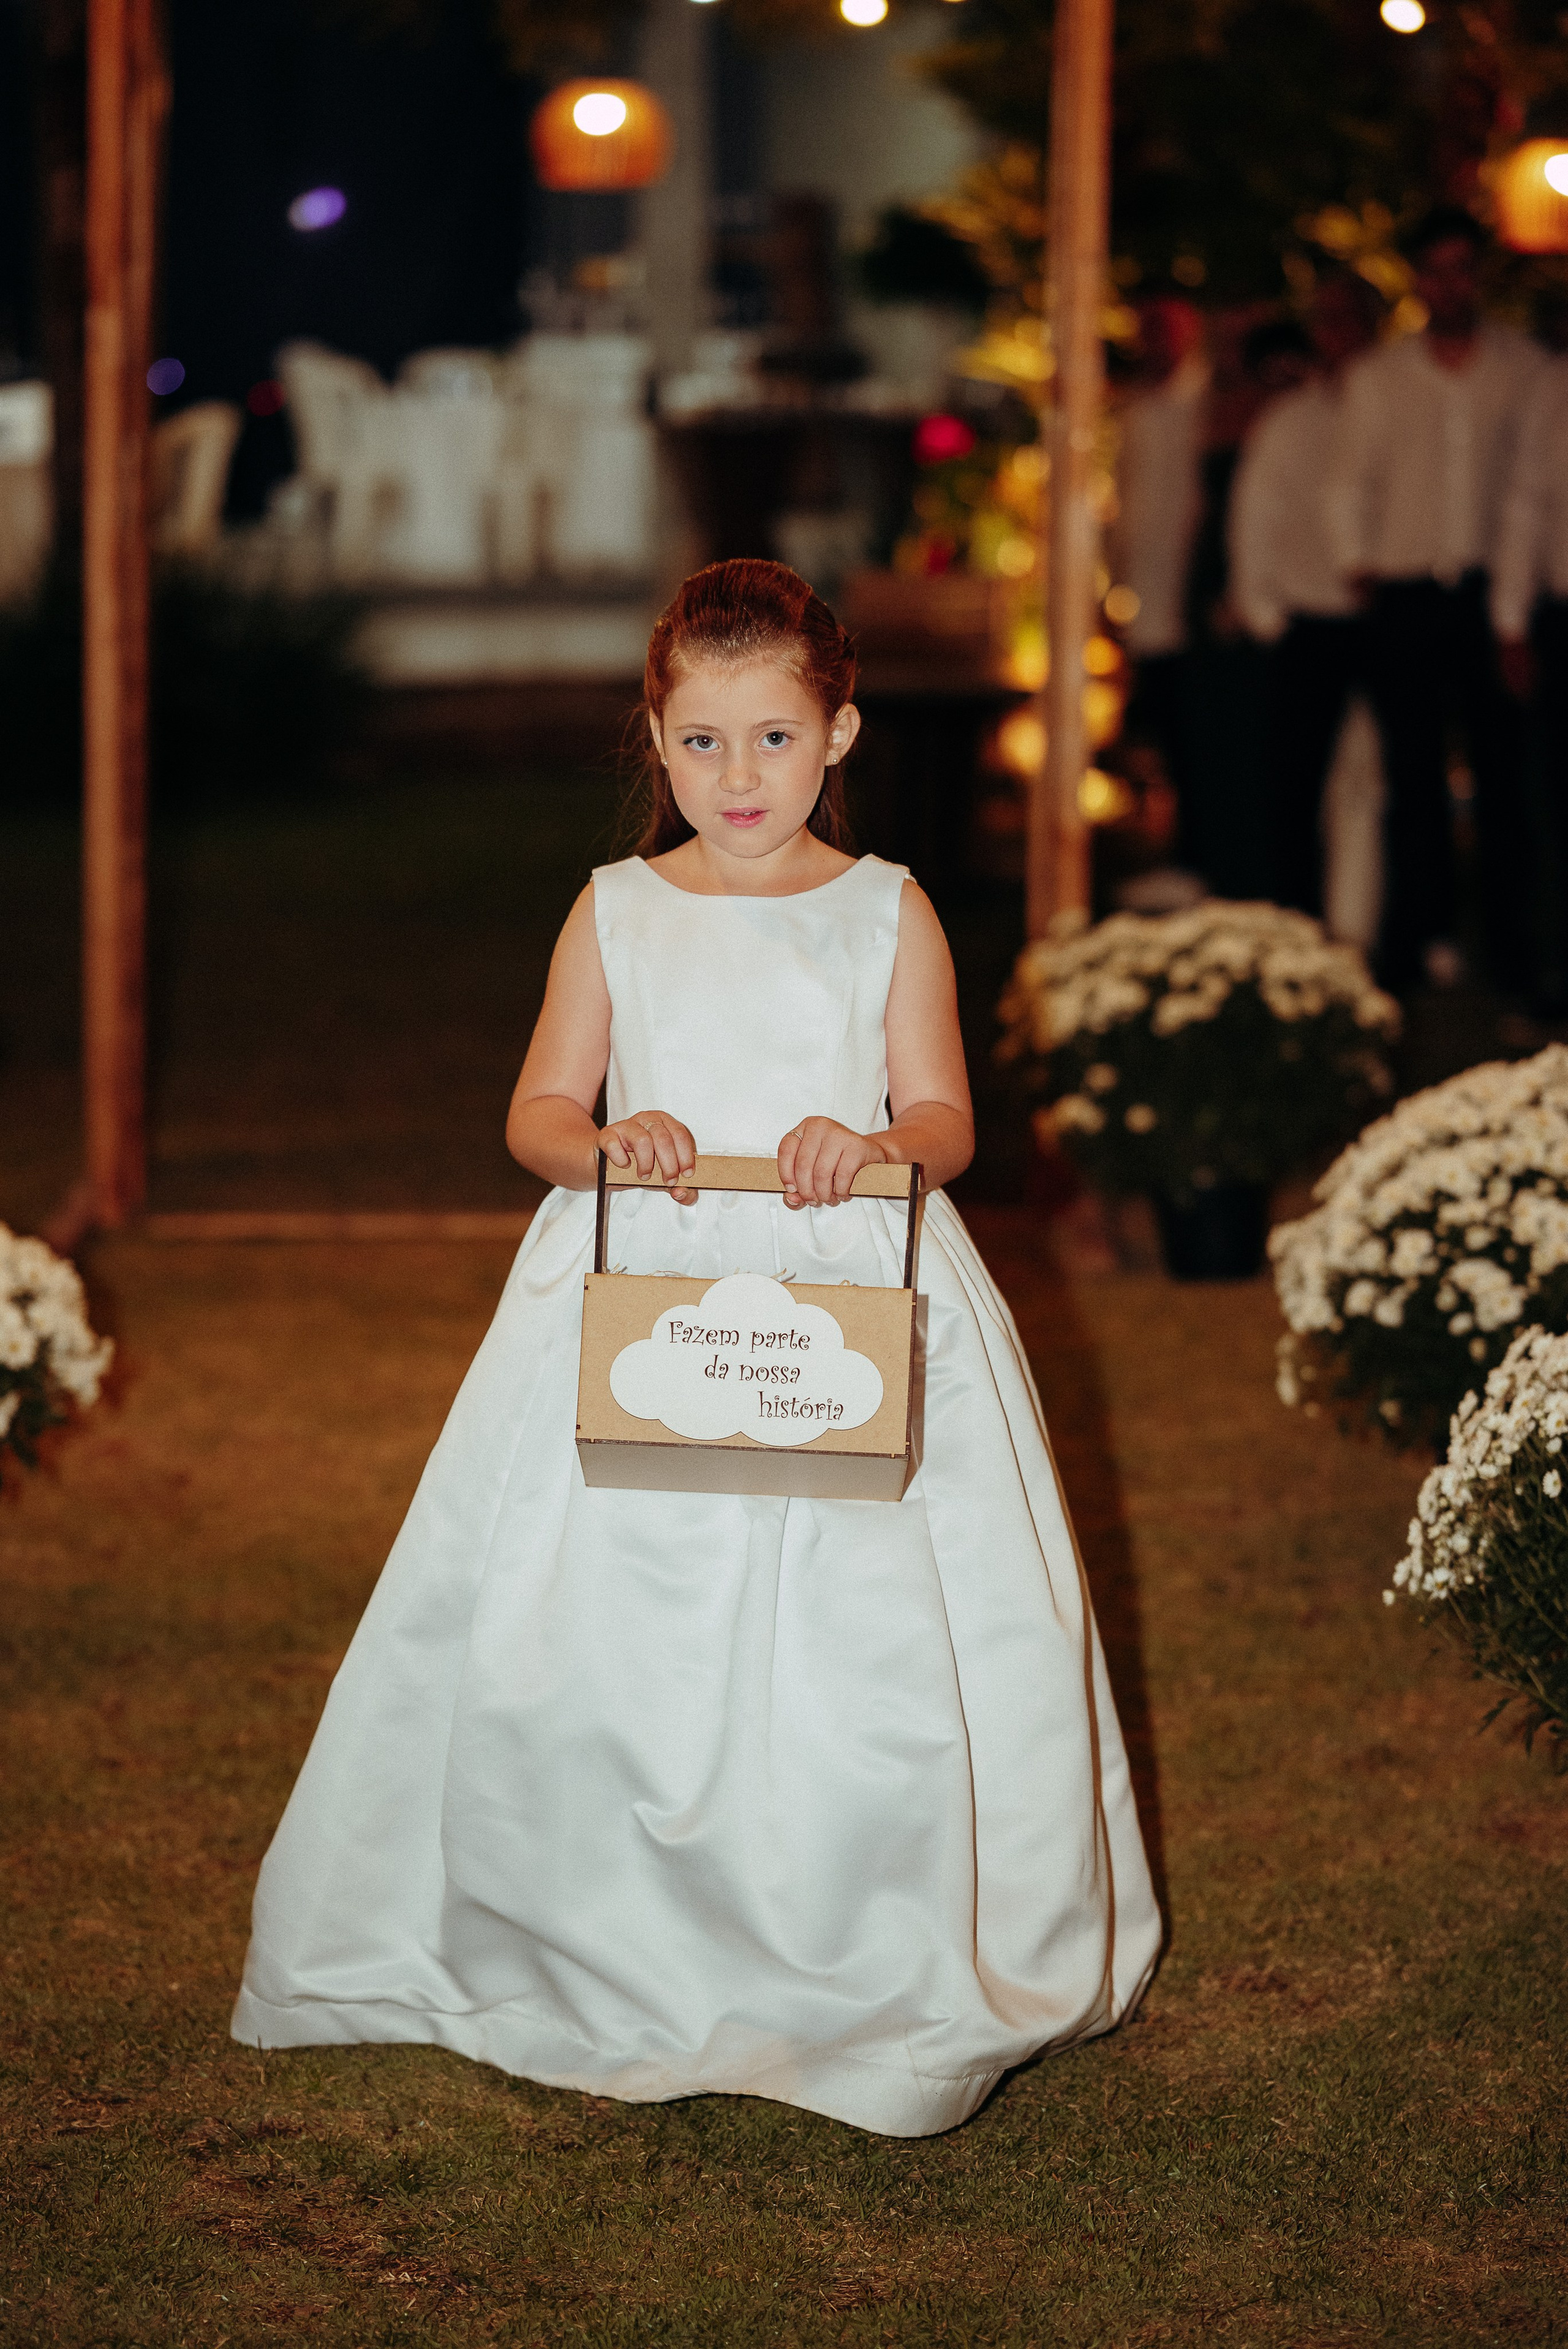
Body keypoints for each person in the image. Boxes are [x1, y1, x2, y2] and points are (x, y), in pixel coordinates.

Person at [231, 560, 1161, 2139]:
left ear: (839, 732)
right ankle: (593, 1909)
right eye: (703, 743)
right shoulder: (615, 910)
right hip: (642, 1287)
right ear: (653, 740)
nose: (740, 779)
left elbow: (945, 1113)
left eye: (774, 740)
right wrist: (605, 1142)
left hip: (844, 1295)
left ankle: (855, 1922)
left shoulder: (888, 909)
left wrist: (870, 1148)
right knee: (594, 1612)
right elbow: (534, 1110)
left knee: (869, 1630)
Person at [1326, 205, 1547, 993]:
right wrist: (1361, 566)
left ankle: (1511, 956)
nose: (1451, 284)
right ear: (1417, 280)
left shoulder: (1524, 370)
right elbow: (1350, 482)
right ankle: (1415, 946)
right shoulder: (1379, 378)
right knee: (1411, 782)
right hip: (1406, 594)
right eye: (1437, 269)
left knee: (1502, 780)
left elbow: (1532, 491)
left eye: (1463, 267)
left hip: (1494, 595)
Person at [1231, 274, 1384, 915]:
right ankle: (1297, 920)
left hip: (1389, 622)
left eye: (1348, 319)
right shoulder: (1291, 421)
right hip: (1310, 623)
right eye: (1325, 320)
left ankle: (1379, 926)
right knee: (1294, 786)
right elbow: (1254, 520)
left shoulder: (1397, 407)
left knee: (1381, 784)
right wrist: (1270, 619)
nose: (1336, 334)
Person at [1110, 296, 1208, 864]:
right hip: (1146, 597)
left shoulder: (1201, 407)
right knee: (1157, 733)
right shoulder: (1135, 411)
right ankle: (1162, 848)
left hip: (1185, 595)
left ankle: (1190, 852)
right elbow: (1128, 510)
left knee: (1189, 734)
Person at [1493, 352, 1568, 1004]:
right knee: (1552, 806)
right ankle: (1551, 969)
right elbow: (1527, 503)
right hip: (1562, 615)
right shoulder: (1552, 387)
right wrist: (1510, 622)